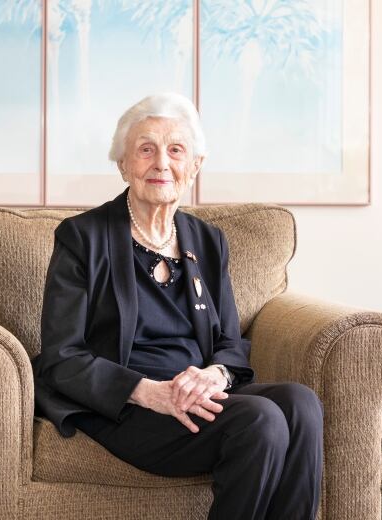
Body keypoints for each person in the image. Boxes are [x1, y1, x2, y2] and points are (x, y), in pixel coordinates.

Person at [32, 93, 323, 519]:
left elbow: (228, 338)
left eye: (175, 150)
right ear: (123, 164)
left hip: (195, 394)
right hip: (130, 405)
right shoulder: (83, 238)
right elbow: (62, 357)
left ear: (195, 166)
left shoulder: (207, 240)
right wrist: (151, 393)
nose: (161, 163)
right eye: (146, 149)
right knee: (260, 419)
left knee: (300, 403)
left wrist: (215, 375)